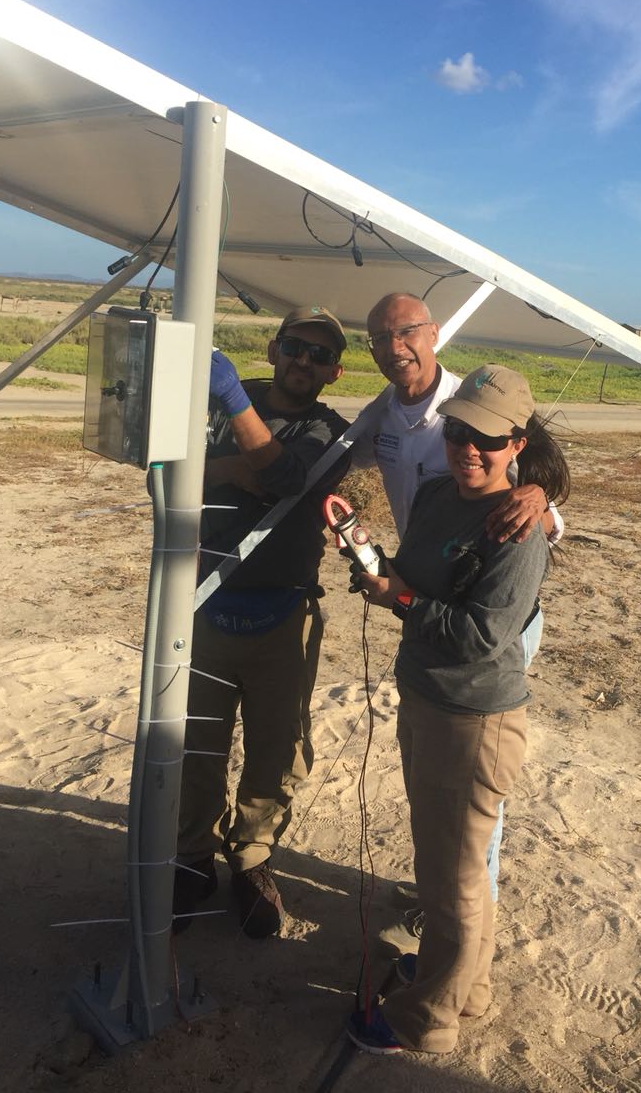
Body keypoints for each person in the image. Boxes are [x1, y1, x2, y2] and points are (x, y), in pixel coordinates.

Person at [345, 364, 571, 1054]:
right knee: (448, 864)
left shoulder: (520, 528)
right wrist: (376, 567)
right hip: (425, 695)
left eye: (488, 440)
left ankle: (426, 1020)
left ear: (518, 443)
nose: (469, 449)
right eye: (459, 432)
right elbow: (414, 577)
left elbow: (481, 639)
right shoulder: (440, 493)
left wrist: (402, 601)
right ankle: (468, 990)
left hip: (474, 720)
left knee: (454, 879)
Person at [352, 292, 564, 907]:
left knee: (474, 780)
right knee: (438, 776)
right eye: (380, 338)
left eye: (407, 332)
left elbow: (546, 518)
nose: (395, 349)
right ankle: (445, 898)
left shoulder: (476, 404)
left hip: (486, 616)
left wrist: (541, 499)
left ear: (434, 333)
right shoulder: (384, 414)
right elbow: (333, 459)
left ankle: (466, 908)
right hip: (421, 591)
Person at [173, 306, 349, 938]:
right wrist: (226, 468)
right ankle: (191, 857)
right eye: (295, 346)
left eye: (320, 354)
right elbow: (165, 472)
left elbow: (282, 478)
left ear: (334, 372)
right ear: (273, 348)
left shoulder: (334, 433)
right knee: (196, 741)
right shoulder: (226, 401)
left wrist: (240, 459)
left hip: (283, 613)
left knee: (277, 750)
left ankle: (250, 856)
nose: (304, 360)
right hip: (204, 607)